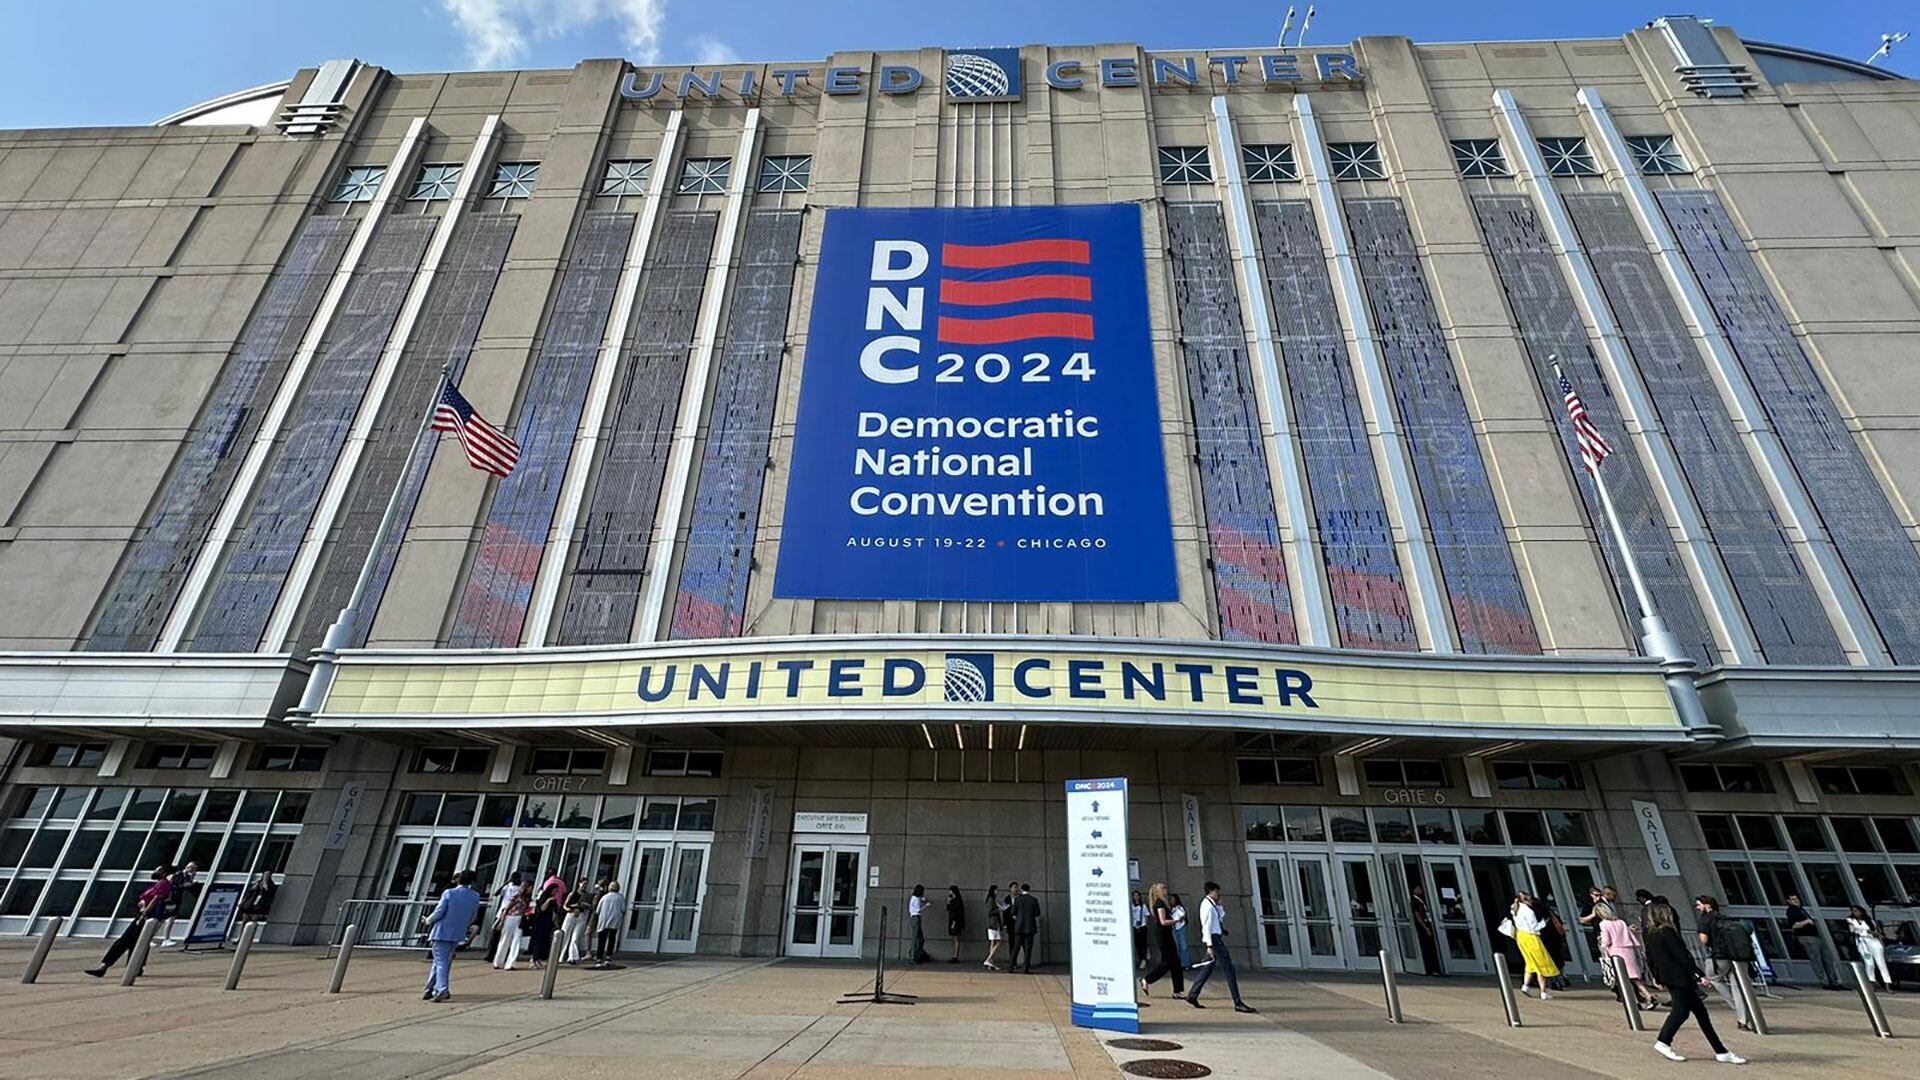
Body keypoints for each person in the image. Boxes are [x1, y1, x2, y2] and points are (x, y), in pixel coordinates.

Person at [1645, 900, 1746, 1064]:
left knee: (1701, 1014)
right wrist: (1698, 974)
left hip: (1670, 976)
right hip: (1679, 976)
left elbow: (1649, 957)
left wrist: (1656, 976)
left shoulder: (1651, 933)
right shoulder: (1667, 931)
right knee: (1682, 1011)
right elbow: (1682, 955)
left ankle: (1721, 1051)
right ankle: (1663, 1041)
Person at [85, 863, 174, 978]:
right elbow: (145, 899)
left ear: (164, 873)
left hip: (147, 917)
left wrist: (145, 913)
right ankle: (133, 967)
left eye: (158, 869)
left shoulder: (164, 884)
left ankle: (109, 967)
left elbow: (156, 900)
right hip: (142, 914)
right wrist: (142, 906)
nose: (155, 871)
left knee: (129, 940)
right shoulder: (156, 884)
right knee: (134, 941)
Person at [1184, 881, 1254, 1013]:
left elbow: (1220, 918)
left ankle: (1193, 995)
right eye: (1217, 891)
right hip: (1214, 940)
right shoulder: (1207, 906)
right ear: (1212, 891)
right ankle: (1237, 1002)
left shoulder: (1212, 905)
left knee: (1207, 968)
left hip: (1215, 938)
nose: (1219, 894)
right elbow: (1207, 927)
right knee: (1229, 970)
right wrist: (1209, 946)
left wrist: (1220, 906)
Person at [1693, 895, 1752, 1031]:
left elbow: (1704, 939)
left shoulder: (1705, 919)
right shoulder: (1725, 918)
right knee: (1738, 986)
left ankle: (1737, 1007)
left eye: (1698, 905)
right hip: (1737, 956)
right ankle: (1743, 1017)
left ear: (1707, 905)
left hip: (1719, 956)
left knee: (1714, 979)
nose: (1697, 908)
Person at [422, 869, 482, 1002]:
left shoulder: (449, 893)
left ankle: (442, 989)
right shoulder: (475, 896)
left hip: (442, 930)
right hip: (458, 932)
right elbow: (473, 916)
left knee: (441, 960)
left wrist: (427, 920)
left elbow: (439, 911)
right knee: (441, 960)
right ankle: (429, 988)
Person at [1597, 901, 1657, 1009]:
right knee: (1634, 977)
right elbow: (1629, 935)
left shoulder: (1604, 924)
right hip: (1628, 950)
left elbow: (1607, 941)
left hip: (1616, 951)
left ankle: (1635, 1001)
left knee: (1623, 978)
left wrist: (1602, 945)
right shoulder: (1621, 922)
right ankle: (1647, 996)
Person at [1782, 894, 1844, 990]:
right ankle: (1825, 981)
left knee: (1827, 958)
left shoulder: (1801, 909)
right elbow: (1794, 926)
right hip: (1806, 937)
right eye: (1793, 899)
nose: (1796, 901)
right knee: (1816, 959)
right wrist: (1806, 922)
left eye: (1796, 899)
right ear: (1788, 901)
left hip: (1815, 936)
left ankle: (1834, 981)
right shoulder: (1791, 911)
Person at [1508, 892, 1560, 999]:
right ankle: (1543, 991)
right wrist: (1544, 922)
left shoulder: (1515, 909)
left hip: (1521, 936)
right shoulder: (1528, 911)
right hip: (1531, 937)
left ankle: (1525, 985)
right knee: (1541, 963)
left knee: (1530, 962)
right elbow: (1534, 927)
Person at [1138, 883, 1185, 998]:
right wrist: (1177, 920)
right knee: (1167, 961)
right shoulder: (1159, 903)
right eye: (1163, 888)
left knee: (1176, 962)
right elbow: (1163, 921)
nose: (1166, 890)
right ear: (1158, 891)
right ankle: (1147, 979)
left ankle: (1177, 990)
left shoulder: (1163, 903)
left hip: (1166, 933)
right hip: (1163, 934)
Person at [1847, 905, 1892, 987]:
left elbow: (1874, 931)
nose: (1854, 912)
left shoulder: (1869, 921)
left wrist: (1873, 933)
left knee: (1880, 963)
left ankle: (1887, 984)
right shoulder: (1851, 920)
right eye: (1853, 911)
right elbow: (1852, 930)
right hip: (1862, 943)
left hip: (1873, 943)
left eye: (1856, 911)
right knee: (1869, 963)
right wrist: (1866, 931)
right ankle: (1872, 982)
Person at [160, 861, 200, 946]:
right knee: (168, 918)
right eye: (193, 869)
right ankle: (165, 939)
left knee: (170, 918)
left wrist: (191, 879)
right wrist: (184, 885)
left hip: (177, 898)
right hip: (172, 899)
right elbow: (175, 886)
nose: (193, 871)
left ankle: (166, 938)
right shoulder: (178, 875)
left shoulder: (187, 876)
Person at [493, 884, 530, 969]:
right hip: (511, 917)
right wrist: (501, 921)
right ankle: (498, 962)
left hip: (520, 919)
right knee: (505, 940)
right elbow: (506, 909)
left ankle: (511, 963)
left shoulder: (527, 899)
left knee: (516, 940)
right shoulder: (516, 897)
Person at [1410, 882, 1444, 976]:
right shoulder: (1415, 901)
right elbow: (1417, 916)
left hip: (1427, 923)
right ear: (1414, 890)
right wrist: (1426, 928)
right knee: (1427, 948)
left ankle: (1435, 968)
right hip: (1423, 926)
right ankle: (1430, 969)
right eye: (1418, 888)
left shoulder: (1421, 900)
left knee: (1432, 947)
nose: (1421, 890)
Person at [1011, 882, 1042, 973]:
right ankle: (1026, 968)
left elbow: (1013, 912)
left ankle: (1011, 966)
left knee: (1016, 948)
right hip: (1030, 927)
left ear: (1021, 889)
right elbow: (1037, 913)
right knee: (1028, 949)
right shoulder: (1034, 900)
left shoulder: (1018, 900)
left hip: (1019, 927)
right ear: (1029, 890)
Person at [594, 880, 626, 965]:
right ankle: (608, 956)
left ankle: (599, 958)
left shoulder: (604, 897)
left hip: (603, 920)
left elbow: (597, 910)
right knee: (611, 938)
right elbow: (623, 909)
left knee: (601, 940)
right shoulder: (620, 897)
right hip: (614, 921)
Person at [562, 878, 592, 963]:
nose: (585, 886)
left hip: (581, 916)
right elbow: (565, 905)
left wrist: (586, 907)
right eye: (584, 884)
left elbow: (589, 906)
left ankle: (573, 957)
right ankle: (560, 955)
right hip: (571, 915)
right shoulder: (573, 894)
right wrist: (571, 909)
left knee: (575, 937)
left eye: (586, 884)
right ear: (579, 883)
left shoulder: (587, 895)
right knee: (566, 934)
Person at [982, 885, 1005, 971]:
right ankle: (988, 959)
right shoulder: (991, 900)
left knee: (993, 942)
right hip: (993, 924)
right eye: (996, 890)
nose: (997, 892)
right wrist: (999, 910)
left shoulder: (991, 899)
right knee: (998, 942)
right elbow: (990, 912)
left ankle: (991, 962)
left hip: (992, 924)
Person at [908, 884, 930, 964]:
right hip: (916, 917)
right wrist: (926, 906)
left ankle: (915, 955)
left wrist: (923, 899)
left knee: (918, 938)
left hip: (913, 918)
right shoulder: (916, 899)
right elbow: (918, 910)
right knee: (917, 938)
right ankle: (914, 956)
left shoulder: (914, 898)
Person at [1130, 890, 1151, 972]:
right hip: (1134, 926)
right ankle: (1140, 959)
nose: (1136, 897)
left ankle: (1144, 960)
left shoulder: (1143, 906)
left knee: (1143, 944)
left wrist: (1144, 924)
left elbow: (1147, 916)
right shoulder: (1131, 906)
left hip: (1142, 926)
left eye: (1137, 895)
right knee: (1137, 944)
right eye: (1134, 895)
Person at [1169, 893, 1191, 970]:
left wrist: (1178, 920)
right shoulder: (1170, 909)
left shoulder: (1179, 908)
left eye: (1173, 899)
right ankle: (1177, 964)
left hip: (1180, 928)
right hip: (1173, 928)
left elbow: (1182, 916)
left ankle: (1185, 964)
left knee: (1183, 946)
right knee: (1176, 947)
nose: (1171, 901)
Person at [945, 885, 967, 963]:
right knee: (955, 939)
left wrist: (954, 922)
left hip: (955, 922)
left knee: (956, 938)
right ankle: (955, 956)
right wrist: (948, 901)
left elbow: (955, 913)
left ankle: (955, 956)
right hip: (954, 921)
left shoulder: (956, 901)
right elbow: (948, 909)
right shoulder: (954, 900)